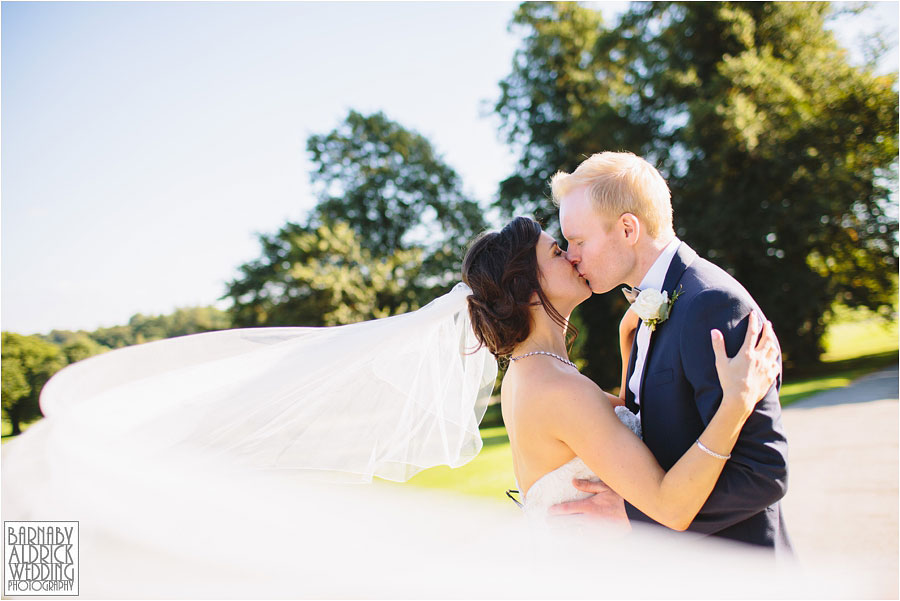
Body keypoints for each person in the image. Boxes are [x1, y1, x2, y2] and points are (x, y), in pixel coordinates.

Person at [461, 216, 781, 535]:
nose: (573, 257)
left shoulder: (526, 372)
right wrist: (736, 404)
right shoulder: (559, 389)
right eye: (557, 252)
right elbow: (670, 507)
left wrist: (628, 347)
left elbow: (608, 431)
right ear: (527, 287)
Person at [548, 151, 791, 552]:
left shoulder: (710, 305)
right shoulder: (644, 312)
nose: (571, 255)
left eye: (578, 240)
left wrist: (635, 515)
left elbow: (763, 473)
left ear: (628, 229)